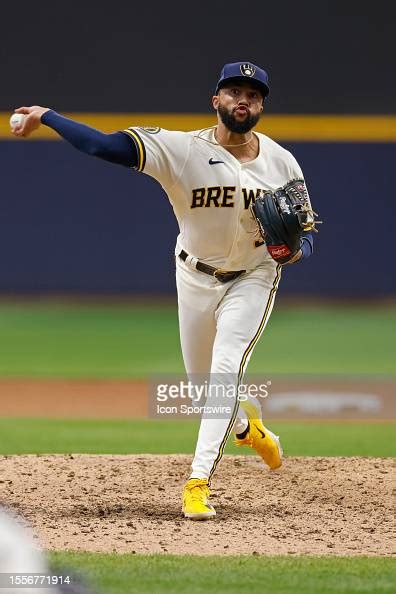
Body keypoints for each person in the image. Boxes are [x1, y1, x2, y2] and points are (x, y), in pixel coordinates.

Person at [12, 61, 315, 520]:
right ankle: (246, 427)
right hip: (194, 275)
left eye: (253, 95)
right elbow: (104, 145)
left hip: (254, 276)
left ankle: (197, 482)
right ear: (216, 100)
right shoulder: (181, 149)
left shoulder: (282, 161)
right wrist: (47, 115)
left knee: (226, 365)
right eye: (234, 91)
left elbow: (306, 233)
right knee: (201, 390)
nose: (243, 100)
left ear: (261, 106)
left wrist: (294, 253)